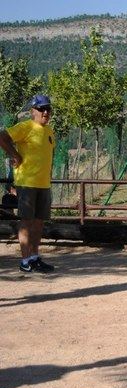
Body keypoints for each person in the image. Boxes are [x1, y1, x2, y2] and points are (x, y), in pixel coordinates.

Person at [0, 95, 56, 274]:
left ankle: (34, 257)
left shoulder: (49, 131)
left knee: (39, 222)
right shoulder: (26, 127)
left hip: (43, 184)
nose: (45, 112)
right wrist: (14, 155)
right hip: (27, 182)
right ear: (33, 111)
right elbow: (2, 137)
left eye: (48, 108)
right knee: (26, 221)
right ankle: (25, 261)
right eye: (41, 109)